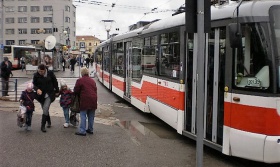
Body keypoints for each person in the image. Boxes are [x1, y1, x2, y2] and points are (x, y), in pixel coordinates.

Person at [33, 64, 59, 132]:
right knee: (45, 109)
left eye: (42, 71)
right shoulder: (36, 75)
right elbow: (34, 85)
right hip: (41, 95)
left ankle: (42, 126)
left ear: (45, 70)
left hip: (49, 94)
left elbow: (55, 82)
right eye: (39, 71)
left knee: (45, 108)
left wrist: (57, 91)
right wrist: (37, 89)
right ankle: (49, 121)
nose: (40, 73)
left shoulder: (50, 73)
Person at [74, 67, 97, 136]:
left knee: (83, 115)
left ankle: (82, 131)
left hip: (84, 100)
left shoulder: (80, 80)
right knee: (91, 116)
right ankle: (90, 129)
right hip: (93, 99)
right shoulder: (92, 81)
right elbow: (95, 90)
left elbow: (76, 91)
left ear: (82, 73)